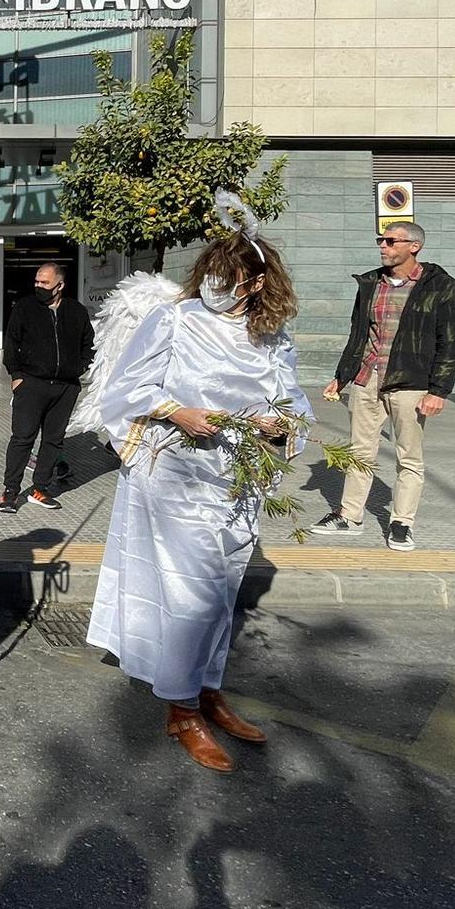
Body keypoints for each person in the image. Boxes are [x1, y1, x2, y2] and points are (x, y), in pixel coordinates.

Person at [84, 225, 309, 773]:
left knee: (222, 591)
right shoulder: (175, 320)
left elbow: (292, 400)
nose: (215, 286)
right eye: (210, 274)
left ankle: (207, 688)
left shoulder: (272, 336)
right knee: (192, 594)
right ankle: (181, 709)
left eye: (228, 279)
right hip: (175, 476)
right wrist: (173, 410)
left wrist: (279, 425)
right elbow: (125, 388)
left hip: (238, 482)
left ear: (256, 283)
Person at [311, 220, 455, 553]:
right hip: (367, 379)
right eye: (380, 240)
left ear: (414, 246)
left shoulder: (441, 286)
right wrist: (342, 376)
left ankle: (401, 523)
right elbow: (358, 335)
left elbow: (452, 342)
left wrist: (439, 391)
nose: (383, 246)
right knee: (358, 453)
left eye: (390, 241)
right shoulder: (370, 284)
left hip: (410, 383)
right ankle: (350, 517)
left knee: (409, 457)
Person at [0, 262, 95, 513]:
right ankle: (10, 491)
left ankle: (40, 488)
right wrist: (17, 375)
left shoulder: (76, 311)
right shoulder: (25, 308)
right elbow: (11, 343)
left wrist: (78, 369)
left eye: (45, 283)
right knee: (22, 438)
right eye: (37, 282)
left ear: (60, 286)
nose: (38, 286)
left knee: (53, 440)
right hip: (31, 384)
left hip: (65, 387)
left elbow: (89, 344)